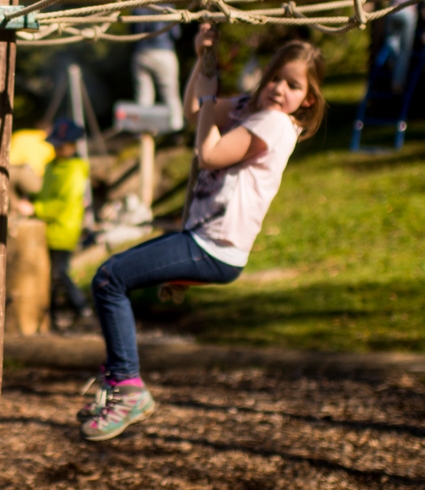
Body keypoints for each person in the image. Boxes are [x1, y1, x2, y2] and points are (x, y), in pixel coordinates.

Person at [81, 30, 323, 441]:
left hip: (214, 246)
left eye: (293, 85)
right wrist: (201, 61)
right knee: (111, 278)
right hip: (207, 241)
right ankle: (122, 381)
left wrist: (211, 102)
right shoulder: (251, 107)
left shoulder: (276, 123)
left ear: (308, 99)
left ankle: (127, 387)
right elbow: (197, 113)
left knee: (110, 278)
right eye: (275, 78)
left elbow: (209, 152)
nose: (280, 89)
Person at [15, 118, 92, 329]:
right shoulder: (51, 165)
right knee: (47, 278)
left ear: (73, 145)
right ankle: (53, 320)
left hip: (63, 230)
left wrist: (35, 209)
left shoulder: (75, 170)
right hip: (46, 230)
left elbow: (64, 204)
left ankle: (83, 309)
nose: (58, 149)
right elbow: (44, 192)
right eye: (55, 145)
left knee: (59, 274)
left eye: (62, 145)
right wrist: (31, 201)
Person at [130, 6, 183, 131]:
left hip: (142, 52)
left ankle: (144, 129)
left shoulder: (138, 6)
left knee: (144, 96)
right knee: (170, 94)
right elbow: (176, 34)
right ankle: (175, 130)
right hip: (164, 51)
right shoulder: (168, 5)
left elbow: (132, 31)